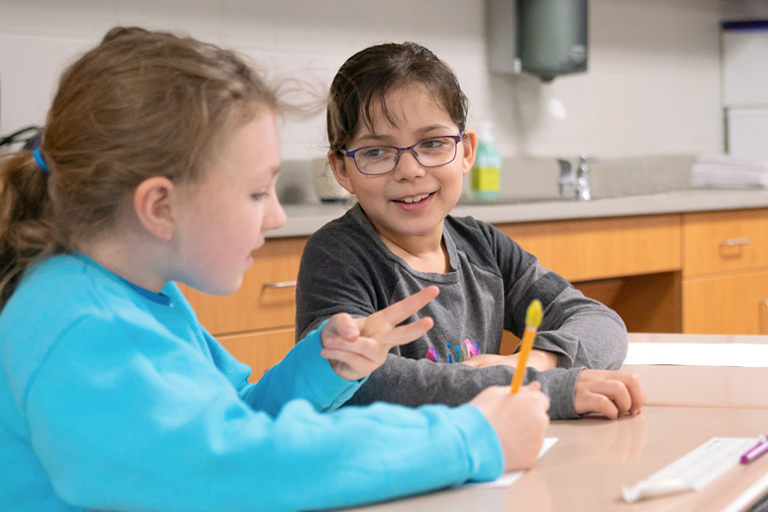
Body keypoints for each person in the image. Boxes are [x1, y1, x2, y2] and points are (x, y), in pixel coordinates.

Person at [0, 28, 553, 512]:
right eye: (257, 191)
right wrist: (467, 438)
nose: (278, 214)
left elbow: (236, 417)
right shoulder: (81, 327)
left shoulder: (142, 297)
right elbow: (234, 465)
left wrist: (325, 367)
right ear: (160, 207)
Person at [295, 41, 646, 419]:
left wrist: (538, 362)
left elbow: (600, 322)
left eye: (432, 143)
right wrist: (538, 388)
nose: (410, 170)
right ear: (341, 169)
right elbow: (358, 380)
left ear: (466, 152)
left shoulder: (483, 247)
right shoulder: (336, 256)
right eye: (376, 152)